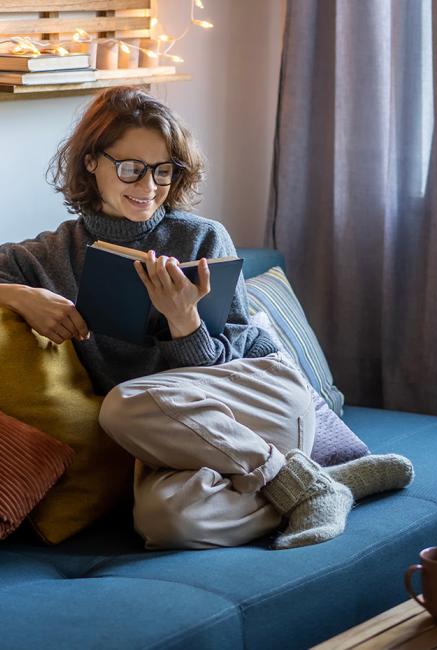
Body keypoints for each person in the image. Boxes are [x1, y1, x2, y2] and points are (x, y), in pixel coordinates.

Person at [0, 86, 413, 550]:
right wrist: (16, 293)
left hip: (259, 402)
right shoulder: (46, 257)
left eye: (162, 171)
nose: (149, 187)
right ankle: (320, 483)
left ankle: (306, 485)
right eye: (131, 168)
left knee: (122, 404)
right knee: (165, 522)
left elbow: (234, 359)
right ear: (92, 161)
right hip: (179, 441)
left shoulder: (202, 240)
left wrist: (185, 324)